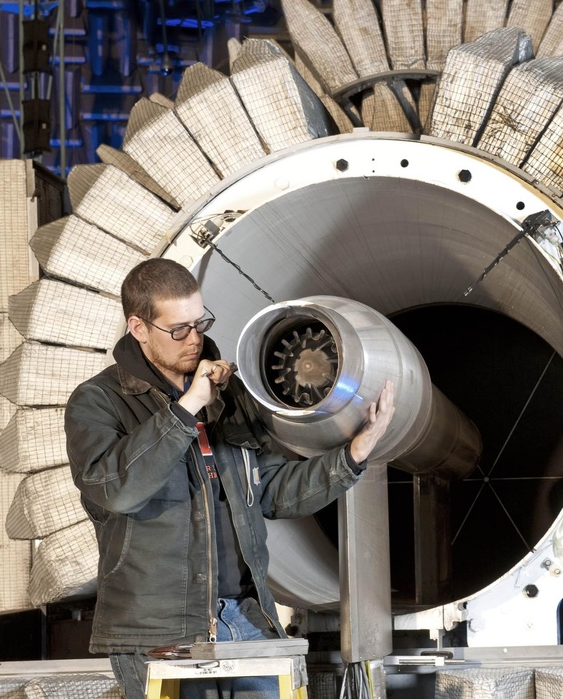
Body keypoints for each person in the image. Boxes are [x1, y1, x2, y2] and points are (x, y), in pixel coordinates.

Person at [65, 258, 395, 699]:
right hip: (158, 636)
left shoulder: (231, 397)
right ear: (139, 328)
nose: (195, 339)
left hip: (246, 618)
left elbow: (273, 492)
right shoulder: (98, 402)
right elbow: (118, 490)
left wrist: (354, 454)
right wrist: (185, 410)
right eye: (178, 329)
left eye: (200, 323)